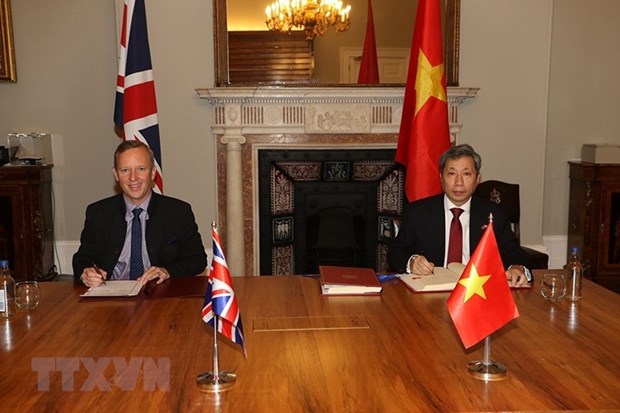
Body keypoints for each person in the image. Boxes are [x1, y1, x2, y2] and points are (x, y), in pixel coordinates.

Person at [387, 144, 532, 287]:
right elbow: (396, 252)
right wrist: (412, 262)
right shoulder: (418, 212)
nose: (459, 183)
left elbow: (514, 252)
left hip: (478, 292)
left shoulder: (495, 214)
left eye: (466, 174)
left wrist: (518, 268)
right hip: (432, 290)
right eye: (452, 174)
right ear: (441, 178)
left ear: (477, 179)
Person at [73, 140, 208, 287]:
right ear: (116, 175)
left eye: (141, 169)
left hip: (160, 295)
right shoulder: (98, 213)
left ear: (153, 172)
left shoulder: (178, 212)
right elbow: (82, 258)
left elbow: (197, 260)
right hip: (111, 296)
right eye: (125, 170)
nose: (133, 178)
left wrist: (166, 271)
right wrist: (86, 272)